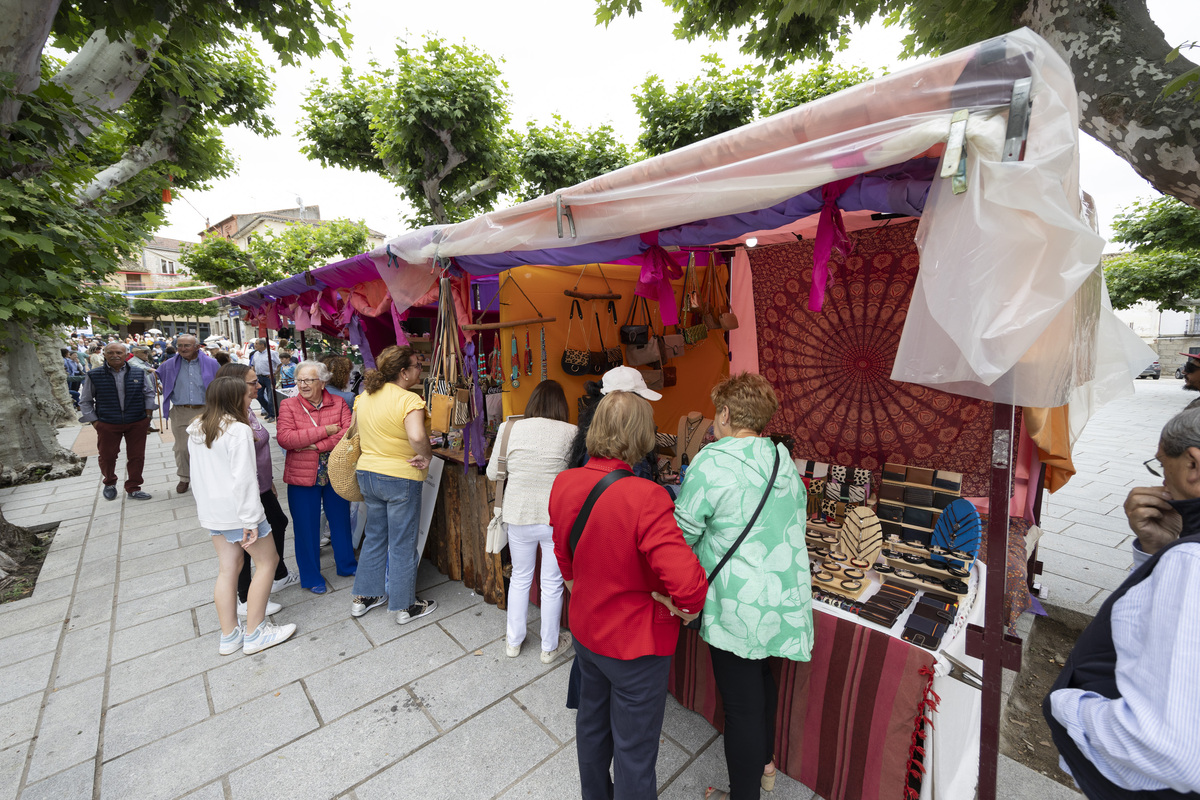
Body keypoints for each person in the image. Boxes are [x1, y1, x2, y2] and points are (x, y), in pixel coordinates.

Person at [660, 373, 813, 800]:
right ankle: (765, 765)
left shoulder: (713, 459)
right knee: (761, 676)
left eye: (716, 411)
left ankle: (745, 794)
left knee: (742, 705)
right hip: (780, 595)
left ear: (725, 414)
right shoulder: (784, 460)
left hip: (737, 600)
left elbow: (682, 531)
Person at [549, 390, 708, 800]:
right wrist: (683, 608)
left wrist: (587, 590)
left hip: (588, 630)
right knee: (634, 751)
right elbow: (689, 586)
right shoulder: (646, 496)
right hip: (636, 644)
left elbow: (564, 559)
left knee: (592, 728)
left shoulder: (565, 482)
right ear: (642, 436)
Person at [1044, 407, 1200, 798]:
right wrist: (1159, 552)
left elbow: (1170, 751)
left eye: (1162, 466)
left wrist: (1064, 706)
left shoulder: (1191, 564)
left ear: (1193, 465)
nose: (1161, 480)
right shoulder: (1184, 557)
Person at [187, 376, 296, 655]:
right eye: (247, 395)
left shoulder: (198, 427)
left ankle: (229, 636)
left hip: (214, 512)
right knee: (268, 561)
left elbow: (197, 476)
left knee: (228, 569)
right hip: (239, 511)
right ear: (235, 398)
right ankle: (256, 631)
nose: (251, 398)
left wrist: (207, 513)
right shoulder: (237, 430)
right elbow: (245, 479)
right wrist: (251, 520)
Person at [486, 379, 576, 661]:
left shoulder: (509, 428)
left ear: (533, 402)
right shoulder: (572, 432)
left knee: (521, 577)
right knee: (552, 583)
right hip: (555, 518)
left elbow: (492, 473)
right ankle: (549, 648)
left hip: (518, 514)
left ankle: (513, 642)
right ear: (561, 405)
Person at [351, 346, 437, 623]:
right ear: (403, 372)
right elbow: (415, 436)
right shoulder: (409, 400)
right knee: (402, 542)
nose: (418, 371)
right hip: (400, 476)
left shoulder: (364, 396)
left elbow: (353, 432)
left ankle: (365, 597)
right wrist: (426, 455)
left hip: (367, 474)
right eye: (416, 366)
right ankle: (405, 606)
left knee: (375, 536)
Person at [215, 363, 298, 606]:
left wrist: (268, 480)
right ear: (235, 385)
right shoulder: (232, 423)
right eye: (253, 382)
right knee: (245, 544)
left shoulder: (247, 410)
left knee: (278, 523)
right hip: (245, 491)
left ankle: (277, 575)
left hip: (260, 485)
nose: (259, 385)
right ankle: (245, 598)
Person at [276, 359, 356, 594]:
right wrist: (326, 431)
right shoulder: (289, 406)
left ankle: (346, 565)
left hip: (335, 471)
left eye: (309, 380)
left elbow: (348, 434)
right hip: (302, 476)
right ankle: (311, 577)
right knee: (306, 527)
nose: (303, 385)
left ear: (322, 382)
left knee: (340, 520)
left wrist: (314, 444)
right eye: (300, 380)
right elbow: (286, 439)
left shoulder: (339, 402)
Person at [78, 342, 157, 501]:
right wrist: (95, 422)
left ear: (126, 354)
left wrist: (147, 417)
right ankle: (109, 482)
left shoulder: (138, 373)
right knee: (107, 456)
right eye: (111, 352)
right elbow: (85, 401)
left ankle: (133, 487)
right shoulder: (94, 375)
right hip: (107, 423)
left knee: (136, 456)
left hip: (136, 421)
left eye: (119, 353)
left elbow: (148, 394)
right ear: (104, 355)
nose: (115, 355)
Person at [157, 334, 220, 494]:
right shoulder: (168, 364)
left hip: (206, 410)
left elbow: (221, 383)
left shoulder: (212, 363)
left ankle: (209, 477)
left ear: (197, 347)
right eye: (180, 345)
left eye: (187, 345)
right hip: (181, 411)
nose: (183, 349)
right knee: (182, 448)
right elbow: (156, 379)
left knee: (209, 445)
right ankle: (184, 478)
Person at [249, 338, 281, 421]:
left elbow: (279, 364)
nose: (254, 345)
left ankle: (272, 415)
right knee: (258, 396)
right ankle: (269, 411)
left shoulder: (272, 353)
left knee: (271, 397)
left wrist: (274, 373)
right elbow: (253, 365)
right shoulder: (255, 354)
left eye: (256, 343)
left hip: (268, 378)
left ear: (262, 345)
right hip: (259, 378)